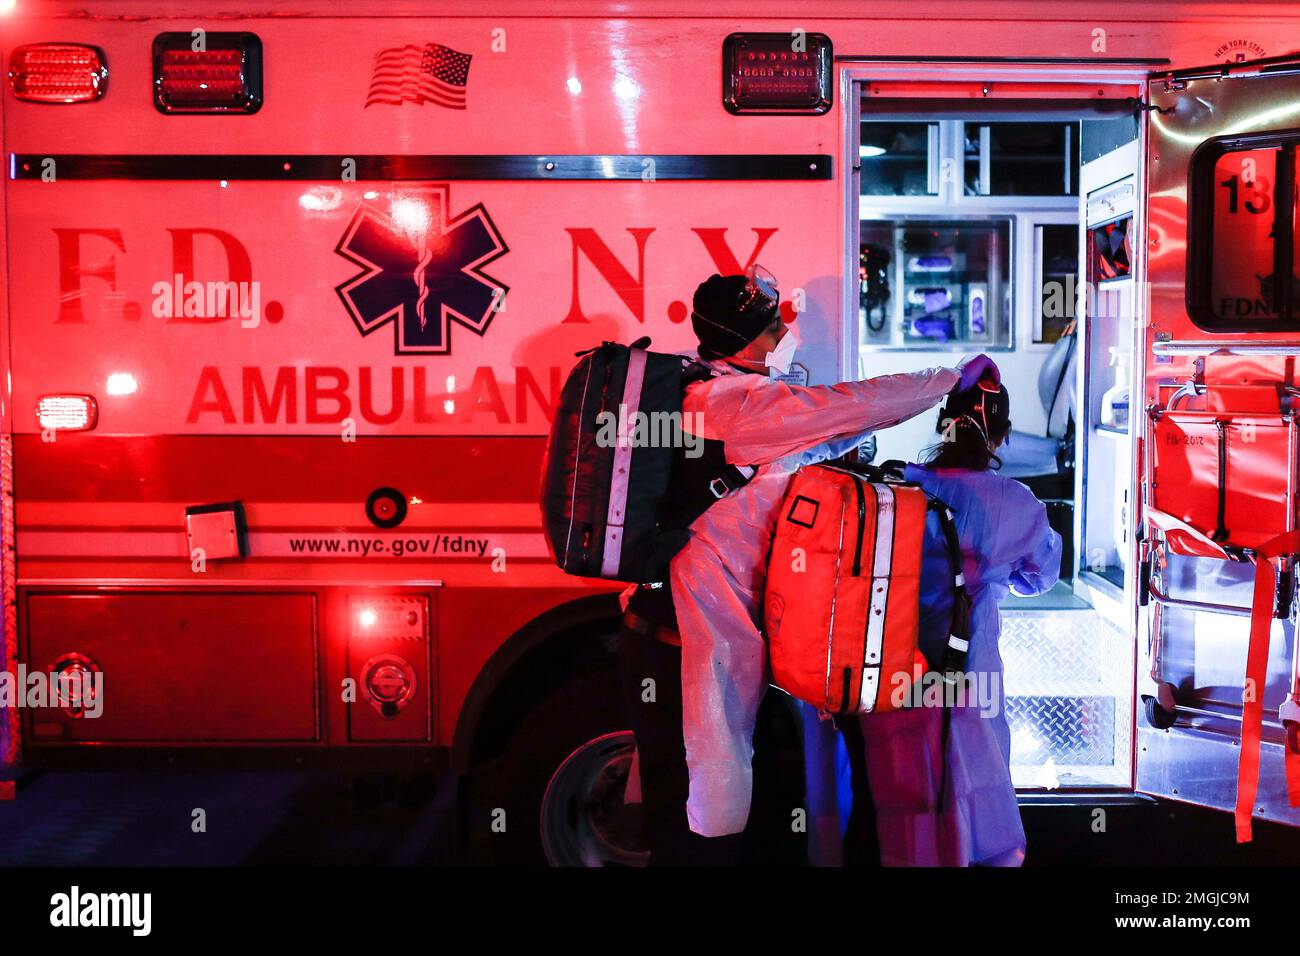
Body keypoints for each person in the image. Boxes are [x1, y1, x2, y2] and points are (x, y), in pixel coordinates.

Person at [618, 265, 1001, 865]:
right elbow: (854, 406)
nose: (782, 337)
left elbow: (805, 444)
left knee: (699, 797)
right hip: (689, 637)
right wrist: (949, 378)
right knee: (701, 814)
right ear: (748, 339)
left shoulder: (708, 391)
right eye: (775, 328)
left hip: (667, 627)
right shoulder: (740, 403)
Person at [839, 376, 1063, 867]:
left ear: (943, 425)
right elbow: (1041, 576)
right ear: (1001, 435)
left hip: (894, 665)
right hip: (971, 672)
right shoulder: (1017, 503)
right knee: (974, 779)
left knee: (903, 785)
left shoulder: (898, 487)